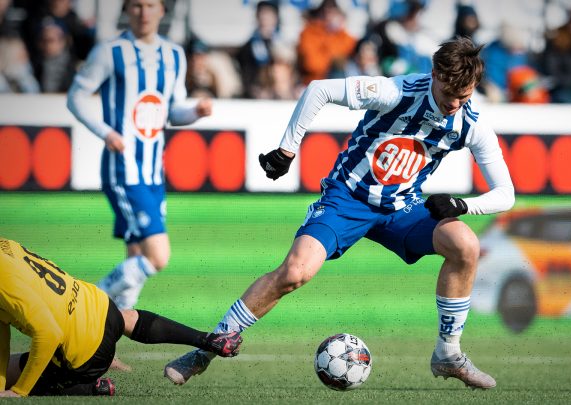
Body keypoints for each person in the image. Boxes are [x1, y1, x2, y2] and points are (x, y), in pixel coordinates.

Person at [165, 36, 514, 390]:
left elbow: (506, 193)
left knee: (465, 245)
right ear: (436, 74)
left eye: (464, 96)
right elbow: (318, 90)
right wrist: (287, 150)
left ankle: (447, 354)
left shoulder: (471, 124)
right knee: (293, 273)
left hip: (402, 207)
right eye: (450, 94)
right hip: (347, 199)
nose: (455, 104)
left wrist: (462, 205)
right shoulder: (394, 91)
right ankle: (204, 351)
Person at [66, 0, 212, 310]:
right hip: (124, 169)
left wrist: (196, 112)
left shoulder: (173, 55)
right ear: (126, 11)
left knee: (135, 258)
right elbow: (76, 97)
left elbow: (173, 111)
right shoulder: (110, 52)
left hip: (152, 172)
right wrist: (106, 132)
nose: (143, 13)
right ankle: (82, 307)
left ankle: (107, 343)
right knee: (158, 256)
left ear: (162, 10)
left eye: (150, 5)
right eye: (136, 6)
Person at [0, 237, 242, 397]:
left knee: (28, 369)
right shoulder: (6, 244)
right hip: (102, 307)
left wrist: (18, 391)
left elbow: (48, 333)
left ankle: (88, 387)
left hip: (85, 354)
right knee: (124, 317)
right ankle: (208, 339)